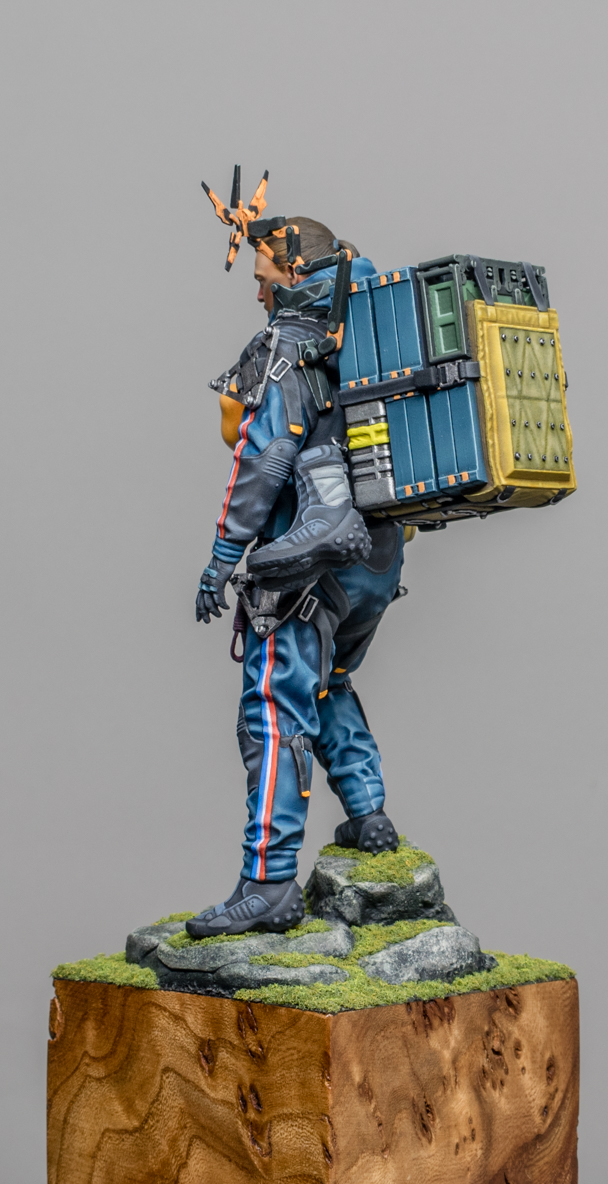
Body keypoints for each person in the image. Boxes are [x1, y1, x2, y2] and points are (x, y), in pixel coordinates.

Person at [188, 217, 405, 939]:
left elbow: (264, 460)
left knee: (275, 713)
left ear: (294, 271)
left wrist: (223, 559)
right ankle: (369, 815)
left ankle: (269, 883)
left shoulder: (285, 344)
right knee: (329, 682)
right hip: (377, 558)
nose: (258, 294)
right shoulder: (370, 329)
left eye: (263, 279)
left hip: (306, 563)